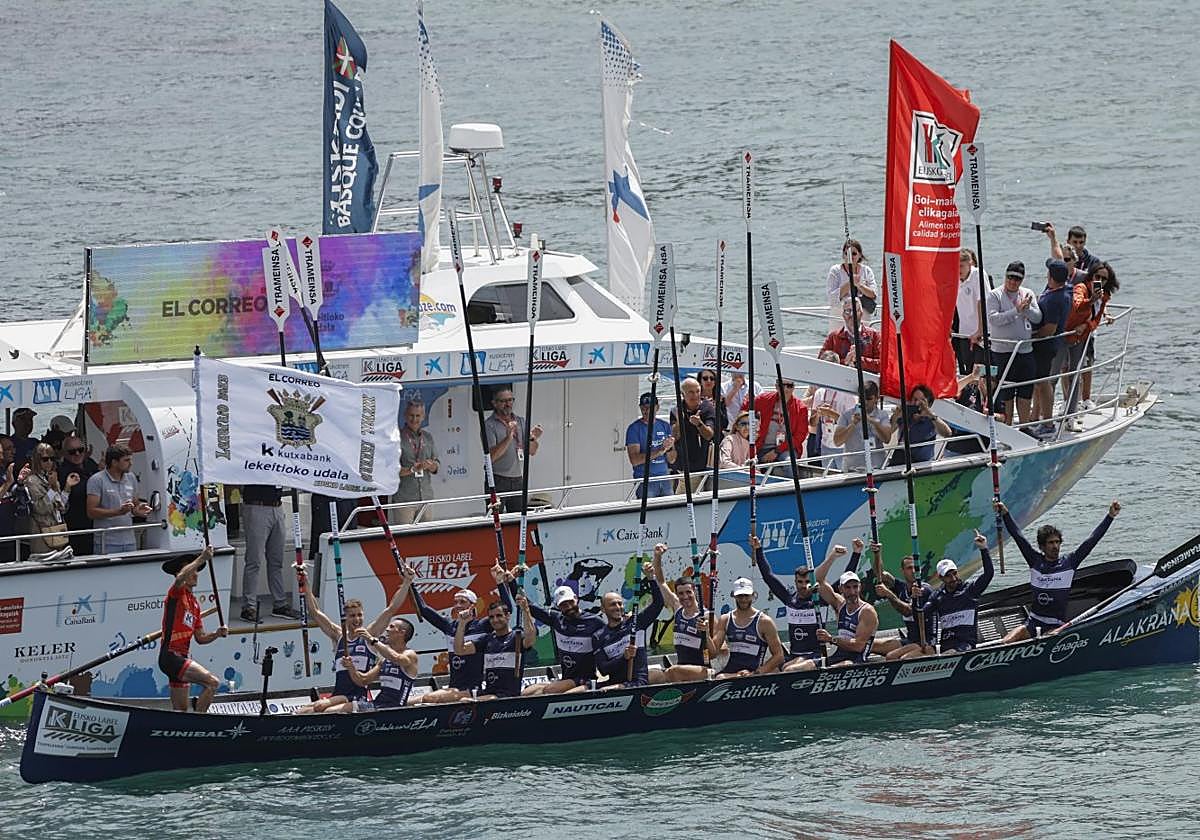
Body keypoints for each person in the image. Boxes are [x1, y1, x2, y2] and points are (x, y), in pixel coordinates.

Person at [996, 499, 1119, 642]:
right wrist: (1005, 513)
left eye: (1057, 542)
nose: (1055, 546)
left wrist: (1110, 516)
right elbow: (1018, 536)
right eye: (1050, 543)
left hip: (1056, 626)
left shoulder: (1070, 562)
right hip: (1033, 622)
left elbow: (1092, 540)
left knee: (1050, 637)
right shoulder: (1035, 561)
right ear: (1042, 546)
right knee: (1013, 636)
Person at [295, 569, 414, 713]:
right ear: (345, 617)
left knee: (321, 708)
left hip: (357, 697)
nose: (357, 619)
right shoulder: (339, 636)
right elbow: (315, 612)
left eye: (359, 615)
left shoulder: (370, 634)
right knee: (302, 711)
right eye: (352, 616)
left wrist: (406, 582)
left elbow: (391, 609)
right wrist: (305, 582)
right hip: (338, 695)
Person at [753, 533, 863, 672]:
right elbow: (768, 576)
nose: (804, 586)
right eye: (800, 582)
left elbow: (845, 581)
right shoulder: (789, 599)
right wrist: (758, 549)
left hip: (814, 655)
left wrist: (856, 554)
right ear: (795, 582)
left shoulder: (820, 599)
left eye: (807, 582)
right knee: (781, 663)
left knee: (788, 669)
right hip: (793, 655)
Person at [159, 547, 228, 712]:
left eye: (197, 570)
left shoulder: (195, 604)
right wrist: (201, 558)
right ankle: (200, 725)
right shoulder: (176, 592)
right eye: (192, 570)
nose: (196, 573)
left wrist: (217, 634)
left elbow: (201, 638)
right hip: (170, 656)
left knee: (180, 712)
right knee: (213, 683)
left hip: (179, 658)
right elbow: (181, 577)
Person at [516, 578, 606, 695]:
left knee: (550, 690)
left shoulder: (595, 621)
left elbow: (613, 634)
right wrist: (510, 582)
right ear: (558, 607)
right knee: (526, 693)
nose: (568, 607)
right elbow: (528, 605)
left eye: (570, 602)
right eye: (563, 605)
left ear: (576, 598)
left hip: (586, 679)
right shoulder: (556, 619)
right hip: (566, 678)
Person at [411, 580, 493, 704]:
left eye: (463, 602)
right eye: (456, 602)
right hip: (453, 688)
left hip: (473, 689)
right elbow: (423, 609)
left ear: (473, 605)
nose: (458, 605)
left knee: (429, 698)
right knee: (407, 702)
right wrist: (410, 583)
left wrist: (501, 583)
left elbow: (507, 608)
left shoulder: (483, 625)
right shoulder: (449, 625)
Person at [1061, 262, 1118, 427]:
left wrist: (1087, 326)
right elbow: (1077, 305)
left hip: (1083, 335)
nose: (1099, 281)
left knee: (1079, 371)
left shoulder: (1104, 296)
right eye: (1097, 277)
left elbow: (1097, 319)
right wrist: (1091, 300)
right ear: (1091, 276)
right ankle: (1050, 411)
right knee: (1058, 371)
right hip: (1067, 334)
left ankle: (1074, 410)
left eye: (1104, 279)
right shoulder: (1081, 288)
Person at [985, 261, 1042, 427]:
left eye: (1017, 279)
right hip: (1002, 352)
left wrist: (1026, 309)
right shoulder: (995, 295)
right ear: (1005, 276)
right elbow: (994, 319)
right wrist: (1016, 310)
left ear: (1022, 280)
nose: (1012, 281)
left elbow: (1038, 317)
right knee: (1007, 393)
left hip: (1025, 351)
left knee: (1025, 391)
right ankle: (1007, 426)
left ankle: (1024, 426)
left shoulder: (1027, 294)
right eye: (1010, 277)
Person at [592, 563, 665, 689]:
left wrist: (651, 578)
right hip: (615, 683)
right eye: (613, 604)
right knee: (584, 689)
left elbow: (658, 603)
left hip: (637, 683)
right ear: (603, 609)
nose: (618, 607)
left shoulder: (636, 622)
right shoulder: (599, 637)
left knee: (605, 690)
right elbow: (603, 670)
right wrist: (624, 657)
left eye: (620, 604)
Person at [650, 543, 716, 683]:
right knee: (649, 676)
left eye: (688, 592)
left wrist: (706, 634)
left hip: (703, 670)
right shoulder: (677, 607)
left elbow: (715, 654)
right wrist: (657, 556)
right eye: (681, 593)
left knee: (673, 671)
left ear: (695, 592)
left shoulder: (707, 616)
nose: (685, 597)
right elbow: (661, 581)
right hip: (681, 669)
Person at [455, 594, 536, 700]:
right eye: (491, 617)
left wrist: (525, 610)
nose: (495, 620)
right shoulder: (486, 639)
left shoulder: (517, 637)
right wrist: (462, 623)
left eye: (499, 616)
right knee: (453, 698)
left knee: (466, 701)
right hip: (488, 692)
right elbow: (459, 650)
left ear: (508, 616)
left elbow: (530, 639)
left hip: (507, 696)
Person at [926, 531, 994, 653]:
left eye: (954, 573)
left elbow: (989, 574)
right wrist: (915, 597)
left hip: (965, 645)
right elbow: (921, 613)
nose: (953, 578)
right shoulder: (937, 596)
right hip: (944, 645)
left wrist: (984, 549)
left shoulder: (970, 590)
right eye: (948, 576)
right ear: (941, 578)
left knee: (950, 654)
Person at [239, 484, 298, 622]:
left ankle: (280, 603)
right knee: (254, 560)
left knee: (276, 561)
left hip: (277, 506)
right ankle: (249, 606)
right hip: (257, 505)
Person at [710, 576, 786, 678]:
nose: (744, 599)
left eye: (746, 595)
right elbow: (713, 652)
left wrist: (757, 673)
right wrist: (705, 634)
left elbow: (779, 656)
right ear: (734, 595)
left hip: (753, 674)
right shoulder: (725, 620)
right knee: (717, 677)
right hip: (731, 673)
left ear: (753, 595)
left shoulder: (764, 622)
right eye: (740, 596)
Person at [1029, 259, 1072, 436]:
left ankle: (1048, 423)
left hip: (1045, 345)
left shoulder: (1055, 299)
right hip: (1048, 345)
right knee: (1039, 383)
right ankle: (1037, 416)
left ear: (1051, 277)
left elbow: (1050, 328)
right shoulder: (1061, 291)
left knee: (1043, 383)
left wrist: (1032, 336)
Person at [484, 387, 543, 512]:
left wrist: (532, 439)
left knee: (518, 520)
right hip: (497, 479)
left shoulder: (521, 421)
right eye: (503, 401)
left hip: (517, 479)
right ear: (494, 403)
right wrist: (509, 437)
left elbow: (532, 451)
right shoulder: (489, 425)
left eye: (510, 400)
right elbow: (491, 456)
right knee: (496, 518)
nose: (508, 404)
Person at [85, 444, 151, 554]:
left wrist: (138, 509)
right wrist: (118, 512)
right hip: (107, 542)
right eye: (126, 460)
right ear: (114, 462)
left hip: (130, 541)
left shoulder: (131, 477)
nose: (131, 463)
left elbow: (134, 504)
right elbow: (91, 512)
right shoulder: (96, 480)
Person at [344, 618, 419, 709]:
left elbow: (396, 658)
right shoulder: (383, 660)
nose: (387, 629)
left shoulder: (410, 654)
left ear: (402, 632)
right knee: (329, 709)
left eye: (391, 627)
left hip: (395, 708)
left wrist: (372, 640)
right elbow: (363, 680)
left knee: (343, 708)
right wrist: (351, 667)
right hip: (378, 705)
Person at [872, 554, 936, 660]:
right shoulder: (902, 587)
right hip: (910, 641)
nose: (913, 571)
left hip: (925, 643)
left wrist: (888, 594)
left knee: (892, 657)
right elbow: (881, 574)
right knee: (869, 644)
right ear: (902, 571)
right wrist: (878, 553)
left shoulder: (923, 590)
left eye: (916, 568)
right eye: (909, 568)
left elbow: (908, 611)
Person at [815, 566, 878, 668]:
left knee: (832, 669)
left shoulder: (867, 611)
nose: (852, 592)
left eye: (855, 587)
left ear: (860, 587)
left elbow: (858, 646)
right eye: (848, 587)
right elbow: (818, 580)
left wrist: (831, 639)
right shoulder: (839, 604)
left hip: (856, 660)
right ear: (840, 588)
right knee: (801, 667)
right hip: (839, 655)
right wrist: (833, 556)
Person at [746, 380, 808, 477]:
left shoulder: (801, 408)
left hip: (786, 449)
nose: (785, 389)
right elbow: (745, 408)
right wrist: (750, 428)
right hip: (762, 447)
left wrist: (777, 451)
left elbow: (800, 436)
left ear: (794, 387)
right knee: (751, 464)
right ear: (776, 386)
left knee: (789, 463)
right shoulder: (764, 399)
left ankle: (791, 489)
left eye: (789, 386)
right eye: (782, 385)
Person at [807, 355, 858, 471]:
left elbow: (853, 423)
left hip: (844, 447)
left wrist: (831, 413)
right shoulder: (820, 392)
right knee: (827, 475)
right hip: (825, 446)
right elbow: (812, 422)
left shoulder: (847, 394)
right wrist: (818, 414)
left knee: (845, 480)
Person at [23, 443, 75, 555]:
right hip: (42, 533)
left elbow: (62, 508)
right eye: (45, 459)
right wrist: (52, 489)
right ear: (37, 460)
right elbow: (40, 508)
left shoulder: (52, 478)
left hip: (57, 530)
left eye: (52, 459)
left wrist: (67, 487)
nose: (49, 462)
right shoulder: (31, 481)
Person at [394, 401, 439, 524]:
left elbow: (437, 465)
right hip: (405, 499)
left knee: (427, 538)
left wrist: (430, 466)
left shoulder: (428, 437)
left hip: (426, 497)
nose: (414, 419)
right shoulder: (396, 439)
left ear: (423, 417)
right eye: (411, 415)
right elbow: (392, 471)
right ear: (405, 415)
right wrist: (412, 469)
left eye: (418, 416)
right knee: (405, 539)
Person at [625, 392, 676, 499]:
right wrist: (660, 451)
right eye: (643, 408)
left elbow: (672, 460)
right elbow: (634, 460)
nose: (647, 411)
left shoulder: (665, 425)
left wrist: (669, 447)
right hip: (645, 480)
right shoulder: (634, 429)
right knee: (648, 513)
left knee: (669, 509)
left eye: (650, 407)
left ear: (657, 407)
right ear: (640, 408)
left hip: (664, 478)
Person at [833, 381, 892, 472]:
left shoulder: (882, 415)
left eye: (868, 399)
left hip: (877, 468)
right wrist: (852, 425)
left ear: (877, 398)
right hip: (852, 470)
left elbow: (887, 439)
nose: (865, 402)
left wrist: (872, 422)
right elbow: (837, 442)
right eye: (862, 398)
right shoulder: (847, 415)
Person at [670, 377, 716, 492]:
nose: (695, 395)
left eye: (698, 391)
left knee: (681, 502)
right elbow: (674, 437)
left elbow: (709, 435)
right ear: (683, 394)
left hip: (699, 466)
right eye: (691, 392)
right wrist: (680, 420)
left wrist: (699, 424)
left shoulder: (707, 408)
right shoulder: (676, 410)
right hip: (681, 465)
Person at [888, 384, 951, 465]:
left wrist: (930, 415)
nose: (917, 403)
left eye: (922, 401)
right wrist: (896, 416)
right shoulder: (903, 416)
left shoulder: (932, 420)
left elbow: (947, 433)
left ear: (929, 404)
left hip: (923, 464)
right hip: (901, 461)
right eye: (914, 399)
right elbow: (888, 434)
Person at [58, 435, 99, 556]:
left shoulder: (90, 464)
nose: (77, 454)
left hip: (95, 524)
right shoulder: (62, 472)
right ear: (64, 453)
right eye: (72, 451)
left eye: (80, 450)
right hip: (75, 526)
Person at [825, 239, 878, 328]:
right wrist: (850, 283)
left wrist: (860, 285)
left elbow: (873, 294)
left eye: (853, 254)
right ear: (843, 255)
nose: (850, 257)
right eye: (847, 254)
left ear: (860, 255)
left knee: (863, 339)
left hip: (862, 315)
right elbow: (832, 297)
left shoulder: (866, 271)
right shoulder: (835, 271)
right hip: (841, 315)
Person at [820, 297, 882, 373]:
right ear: (843, 314)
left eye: (855, 311)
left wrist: (859, 360)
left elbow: (882, 364)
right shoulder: (833, 337)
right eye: (848, 311)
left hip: (867, 381)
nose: (852, 315)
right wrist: (845, 361)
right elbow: (821, 363)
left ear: (861, 313)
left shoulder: (874, 335)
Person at [954, 248, 985, 375]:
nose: (958, 270)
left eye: (961, 266)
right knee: (967, 371)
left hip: (980, 334)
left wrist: (980, 330)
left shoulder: (977, 275)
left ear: (969, 264)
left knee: (980, 372)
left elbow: (981, 301)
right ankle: (968, 394)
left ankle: (983, 394)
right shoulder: (954, 278)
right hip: (964, 333)